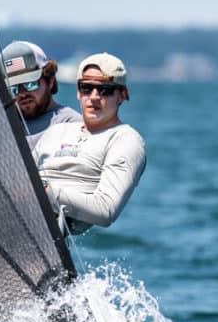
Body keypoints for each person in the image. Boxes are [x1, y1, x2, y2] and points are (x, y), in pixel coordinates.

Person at [33, 52, 145, 234]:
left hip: (46, 229)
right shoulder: (57, 131)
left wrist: (45, 192)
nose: (93, 96)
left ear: (122, 95)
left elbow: (105, 210)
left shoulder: (125, 139)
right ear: (78, 92)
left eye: (105, 90)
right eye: (86, 88)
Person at [1, 41, 80, 148]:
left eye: (30, 84)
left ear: (50, 81)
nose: (22, 94)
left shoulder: (71, 123)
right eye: (13, 88)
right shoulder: (0, 128)